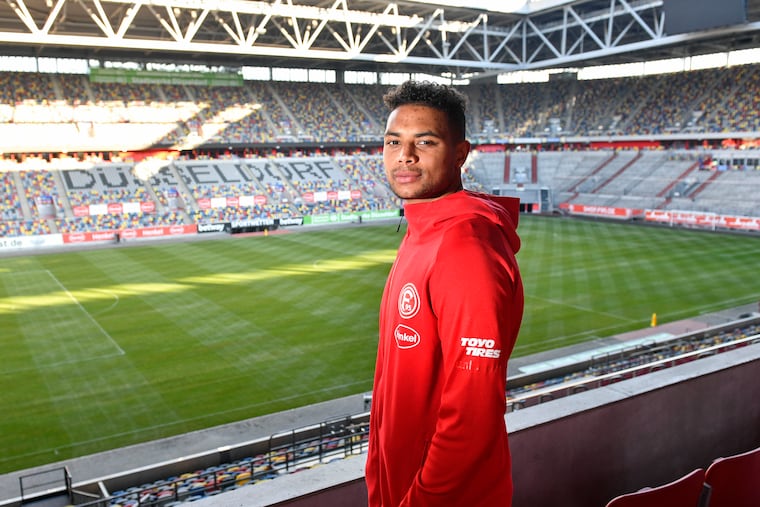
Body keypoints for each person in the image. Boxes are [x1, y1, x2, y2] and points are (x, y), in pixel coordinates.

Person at [365, 80, 524, 507]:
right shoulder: (426, 228)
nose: (405, 155)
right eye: (393, 141)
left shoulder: (464, 244)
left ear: (460, 154)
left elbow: (472, 413)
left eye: (425, 142)